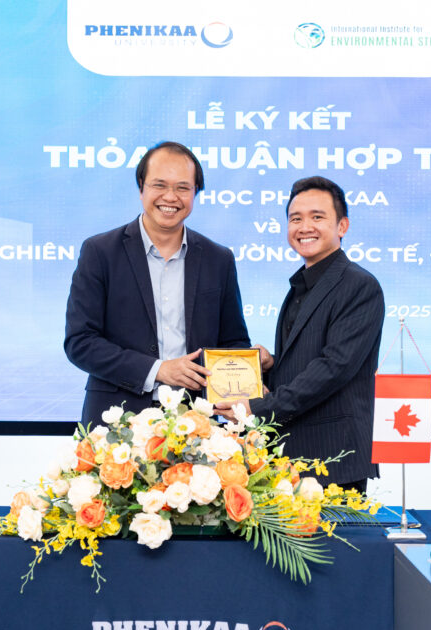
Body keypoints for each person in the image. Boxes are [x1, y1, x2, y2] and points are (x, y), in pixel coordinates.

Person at [65, 141, 251, 427]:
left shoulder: (219, 259)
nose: (170, 197)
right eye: (159, 185)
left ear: (195, 193)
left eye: (182, 188)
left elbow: (233, 343)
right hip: (115, 424)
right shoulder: (100, 252)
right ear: (141, 187)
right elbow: (80, 342)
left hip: (197, 424)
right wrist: (158, 370)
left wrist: (245, 385)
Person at [216, 176, 384, 491]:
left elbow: (334, 368)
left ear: (342, 226)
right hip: (292, 456)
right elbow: (310, 361)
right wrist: (272, 365)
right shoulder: (301, 285)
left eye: (317, 217)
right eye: (296, 219)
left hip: (333, 459)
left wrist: (257, 408)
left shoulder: (359, 285)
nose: (305, 226)